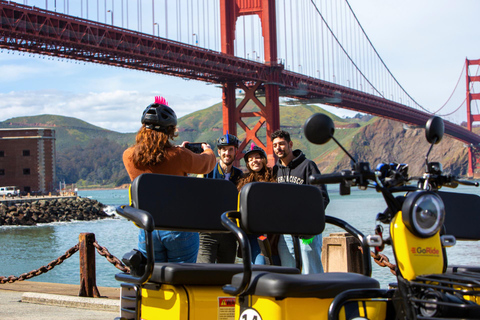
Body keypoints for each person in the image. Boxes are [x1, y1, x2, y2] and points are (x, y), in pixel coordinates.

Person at [123, 96, 216, 263]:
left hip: (147, 226)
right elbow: (207, 165)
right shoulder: (179, 156)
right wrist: (207, 150)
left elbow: (158, 161)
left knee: (153, 277)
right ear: (170, 131)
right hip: (178, 227)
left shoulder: (128, 156)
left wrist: (179, 153)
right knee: (182, 279)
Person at [271, 129, 330, 274]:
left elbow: (322, 197)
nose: (278, 148)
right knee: (288, 268)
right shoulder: (275, 170)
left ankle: (316, 294)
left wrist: (310, 221)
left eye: (282, 144)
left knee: (311, 267)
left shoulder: (308, 166)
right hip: (284, 231)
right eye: (275, 145)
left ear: (290, 144)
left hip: (307, 230)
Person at [196, 133, 243, 263]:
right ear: (218, 151)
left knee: (227, 274)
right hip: (208, 232)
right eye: (223, 149)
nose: (227, 153)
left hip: (229, 233)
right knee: (203, 272)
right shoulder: (206, 172)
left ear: (236, 152)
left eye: (230, 150)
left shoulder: (240, 176)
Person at [237, 144, 277, 265]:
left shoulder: (274, 177)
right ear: (247, 164)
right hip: (251, 232)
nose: (254, 161)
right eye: (250, 159)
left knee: (273, 265)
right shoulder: (243, 181)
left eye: (257, 157)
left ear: (264, 160)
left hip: (271, 232)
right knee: (258, 264)